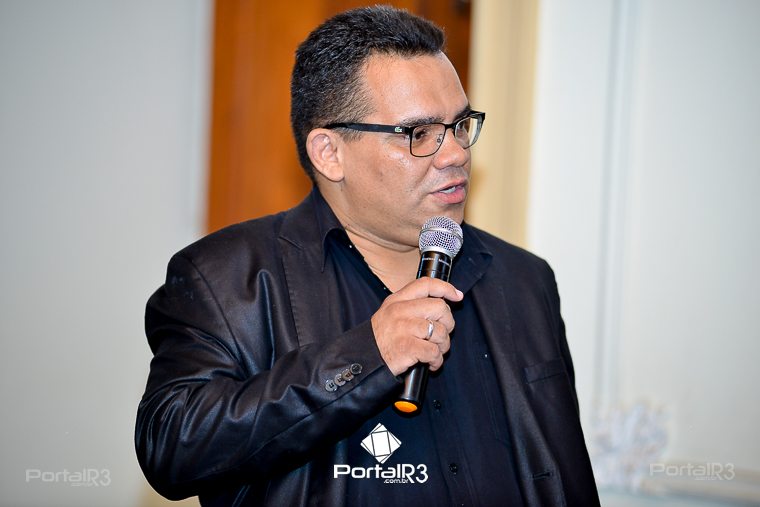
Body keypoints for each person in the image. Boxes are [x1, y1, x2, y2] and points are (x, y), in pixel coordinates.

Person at [135, 5, 599, 506]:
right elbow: (173, 447)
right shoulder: (226, 279)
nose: (456, 154)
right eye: (419, 134)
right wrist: (369, 354)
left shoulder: (524, 279)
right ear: (329, 153)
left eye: (460, 125)